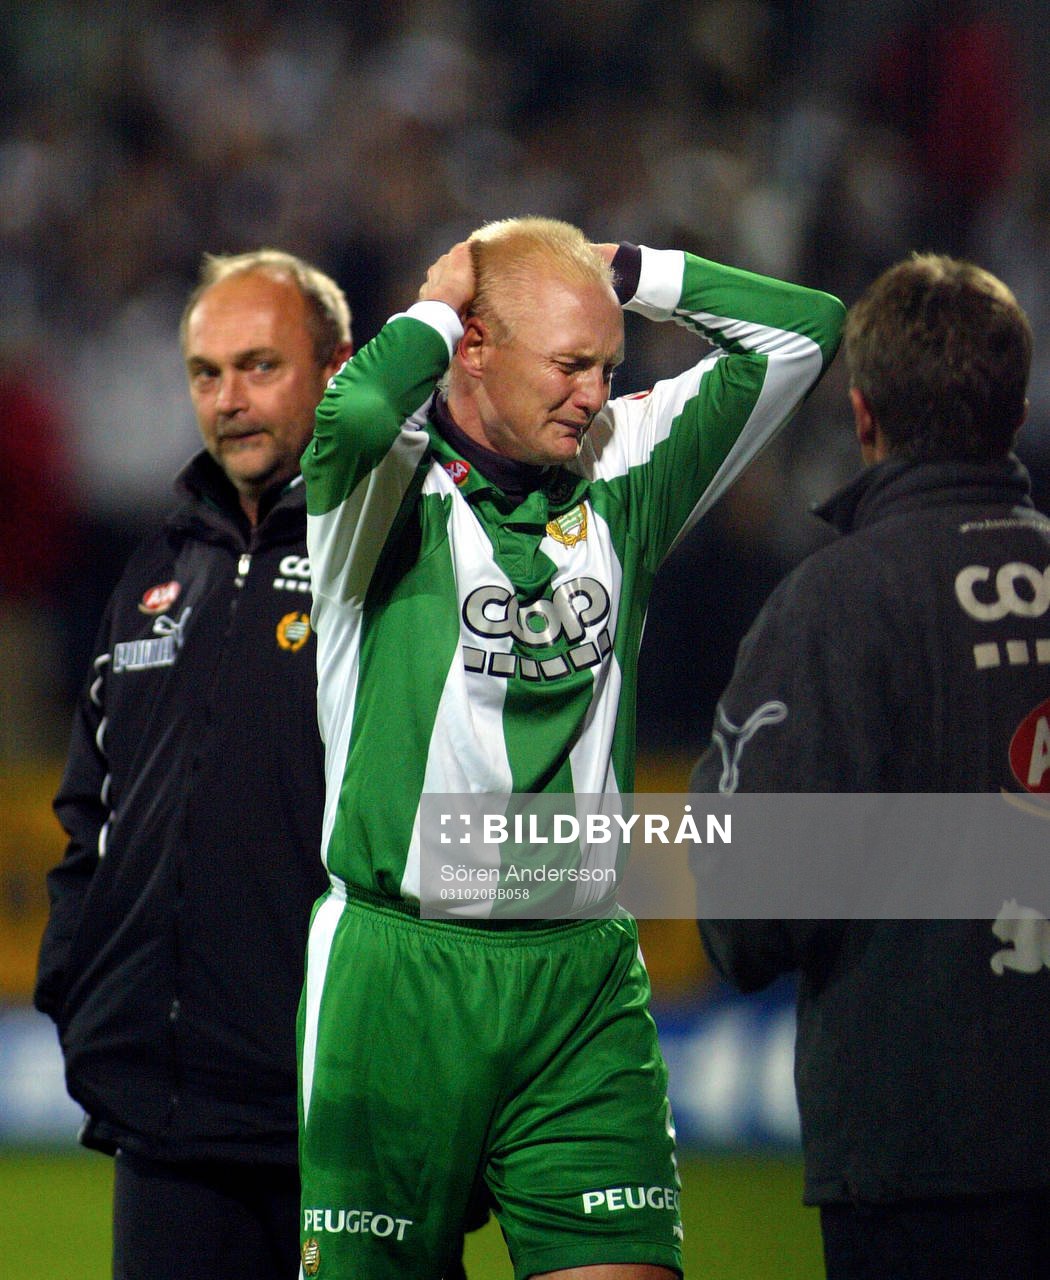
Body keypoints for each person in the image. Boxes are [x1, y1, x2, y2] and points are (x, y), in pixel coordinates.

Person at [297, 216, 844, 1279]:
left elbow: (805, 333)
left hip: (580, 976)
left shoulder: (621, 460)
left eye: (607, 366)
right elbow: (358, 405)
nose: (593, 393)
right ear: (474, 349)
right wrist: (438, 296)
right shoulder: (383, 482)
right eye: (569, 365)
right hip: (400, 973)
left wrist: (632, 274)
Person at [691, 255, 1050, 1279]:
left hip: (918, 1157)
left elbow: (751, 916)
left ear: (862, 415)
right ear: (1015, 409)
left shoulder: (836, 604)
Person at [33, 249, 353, 1280]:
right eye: (208, 373)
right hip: (167, 1121)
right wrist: (81, 993)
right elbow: (94, 807)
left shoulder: (395, 554)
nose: (230, 399)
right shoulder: (154, 566)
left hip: (343, 1114)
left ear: (338, 369)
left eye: (261, 365)